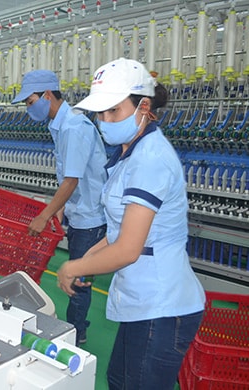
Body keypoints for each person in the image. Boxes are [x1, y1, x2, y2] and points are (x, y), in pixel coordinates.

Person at [58, 57, 205, 389]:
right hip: (143, 301)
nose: (104, 120)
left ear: (144, 107)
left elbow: (127, 248)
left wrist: (72, 267)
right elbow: (117, 233)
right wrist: (87, 262)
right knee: (119, 380)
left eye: (114, 111)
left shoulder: (150, 159)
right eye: (101, 112)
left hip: (162, 306)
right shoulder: (130, 153)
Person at [11, 69, 107, 346]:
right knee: (76, 275)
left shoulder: (74, 127)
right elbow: (70, 176)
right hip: (79, 211)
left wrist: (45, 214)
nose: (29, 108)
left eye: (30, 101)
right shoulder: (60, 125)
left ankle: (75, 334)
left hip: (90, 217)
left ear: (48, 95)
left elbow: (72, 180)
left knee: (78, 279)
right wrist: (60, 212)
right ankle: (75, 328)